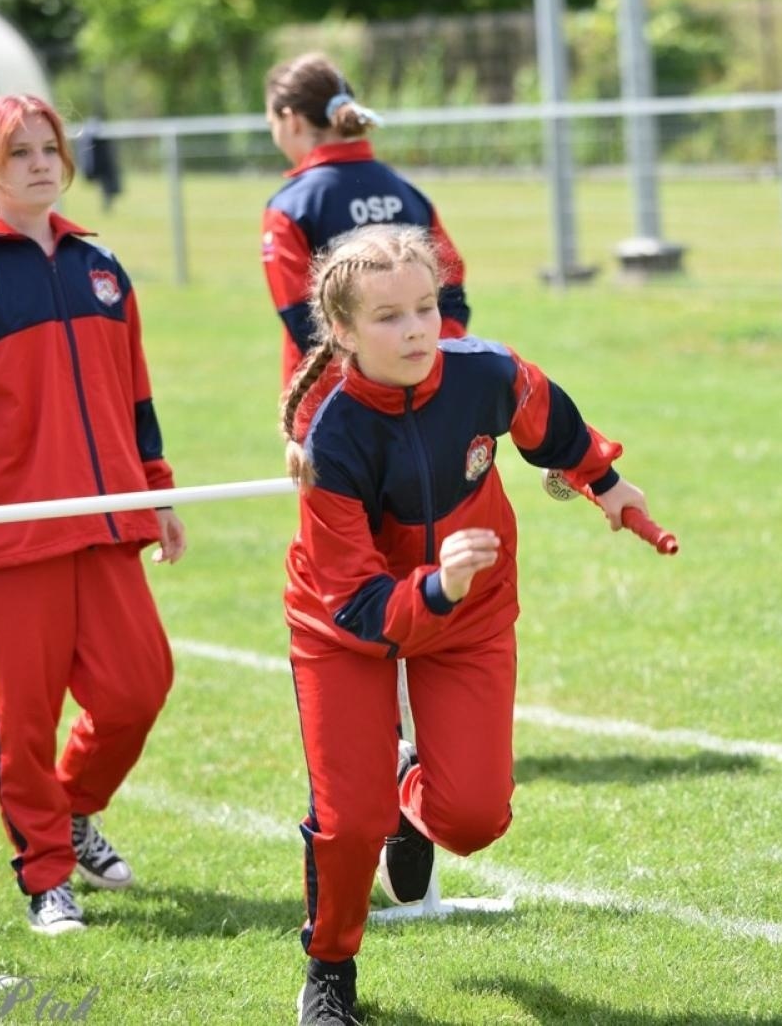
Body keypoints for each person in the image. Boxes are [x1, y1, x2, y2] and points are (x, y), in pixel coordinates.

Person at [280, 224, 648, 1025]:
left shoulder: (484, 372)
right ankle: (331, 969)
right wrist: (434, 584)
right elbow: (359, 603)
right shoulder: (331, 439)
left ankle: (410, 796)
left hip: (469, 612)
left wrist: (607, 484)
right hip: (346, 627)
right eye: (388, 318)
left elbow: (551, 425)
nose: (417, 330)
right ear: (341, 331)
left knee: (475, 819)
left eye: (426, 307)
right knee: (349, 822)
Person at [0, 94, 187, 935]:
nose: (39, 162)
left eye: (49, 147)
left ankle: (69, 810)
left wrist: (156, 490)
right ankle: (45, 876)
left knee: (139, 687)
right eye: (18, 151)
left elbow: (136, 395)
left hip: (108, 523)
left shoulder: (104, 269)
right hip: (8, 538)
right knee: (22, 722)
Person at [263, 53, 472, 387]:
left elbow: (302, 318)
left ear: (292, 120)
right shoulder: (407, 192)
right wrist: (433, 368)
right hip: (426, 391)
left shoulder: (290, 207)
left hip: (332, 402)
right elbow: (451, 288)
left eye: (271, 123)